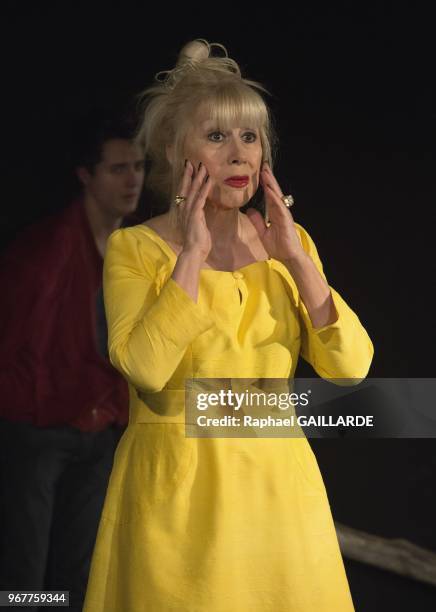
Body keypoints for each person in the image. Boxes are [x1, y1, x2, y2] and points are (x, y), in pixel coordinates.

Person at [83, 40, 374, 611]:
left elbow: (352, 369)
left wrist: (295, 260)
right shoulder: (136, 249)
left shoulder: (287, 246)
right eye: (216, 136)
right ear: (174, 152)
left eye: (249, 136)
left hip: (277, 488)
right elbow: (144, 368)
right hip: (181, 495)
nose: (239, 154)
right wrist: (190, 254)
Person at [0, 111, 145, 611]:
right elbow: (16, 347)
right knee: (24, 576)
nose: (133, 180)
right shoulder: (44, 251)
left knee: (79, 572)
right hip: (41, 430)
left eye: (138, 167)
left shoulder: (130, 249)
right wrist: (43, 410)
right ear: (87, 175)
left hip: (98, 433)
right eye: (118, 169)